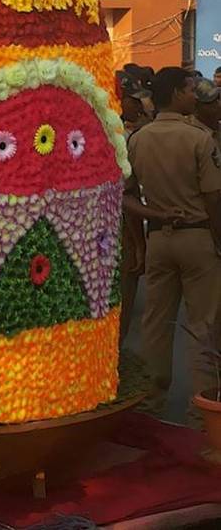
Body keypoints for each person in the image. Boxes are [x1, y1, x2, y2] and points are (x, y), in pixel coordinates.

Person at [124, 67, 221, 424]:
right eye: (191, 89)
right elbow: (213, 197)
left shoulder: (138, 139)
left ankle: (150, 405)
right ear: (177, 94)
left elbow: (127, 198)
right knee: (203, 326)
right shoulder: (199, 138)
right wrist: (218, 239)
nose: (195, 95)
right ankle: (202, 412)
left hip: (158, 238)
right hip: (198, 236)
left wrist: (154, 218)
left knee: (155, 323)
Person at [118, 76, 153, 346]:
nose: (141, 107)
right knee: (121, 299)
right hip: (121, 228)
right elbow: (126, 193)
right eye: (136, 101)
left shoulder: (133, 131)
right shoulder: (118, 134)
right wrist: (139, 244)